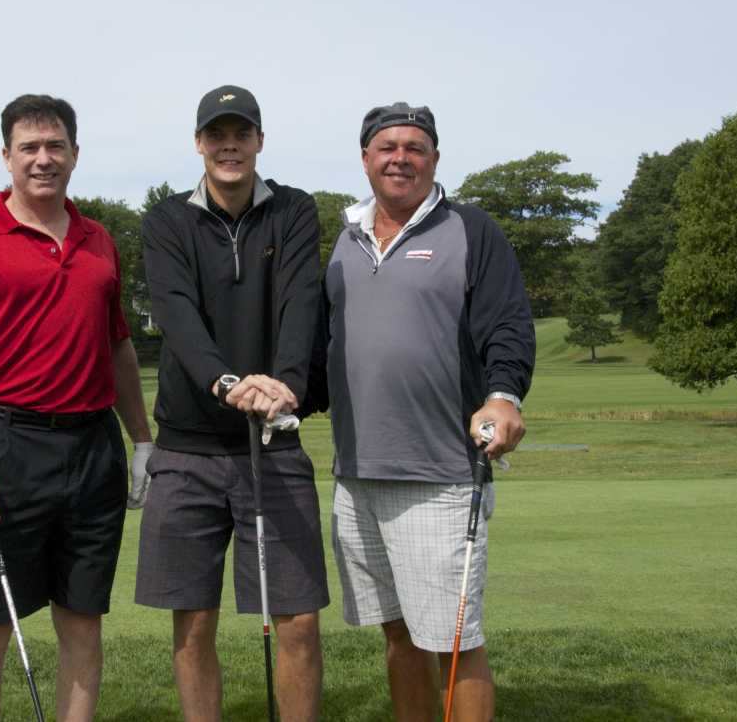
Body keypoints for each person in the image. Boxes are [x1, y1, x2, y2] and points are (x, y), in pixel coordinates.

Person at [0, 94, 154, 722]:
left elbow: (118, 346)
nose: (43, 159)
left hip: (93, 450)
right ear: (6, 156)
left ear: (75, 154)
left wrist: (142, 439)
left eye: (55, 146)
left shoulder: (99, 241)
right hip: (4, 447)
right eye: (29, 148)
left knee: (83, 620)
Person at [324, 102, 535, 722]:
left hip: (440, 475)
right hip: (356, 475)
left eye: (415, 147)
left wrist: (502, 395)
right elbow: (323, 345)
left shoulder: (470, 229)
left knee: (452, 642)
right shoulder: (344, 238)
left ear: (435, 158)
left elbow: (507, 325)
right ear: (365, 158)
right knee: (397, 634)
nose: (401, 158)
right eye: (387, 147)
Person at [136, 84, 329, 722]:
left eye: (241, 134)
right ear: (199, 144)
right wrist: (227, 383)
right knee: (193, 624)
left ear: (259, 141)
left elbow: (300, 302)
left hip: (273, 441)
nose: (229, 146)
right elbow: (177, 316)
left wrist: (284, 385)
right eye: (216, 135)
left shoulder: (293, 210)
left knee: (298, 621)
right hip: (186, 449)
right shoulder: (167, 220)